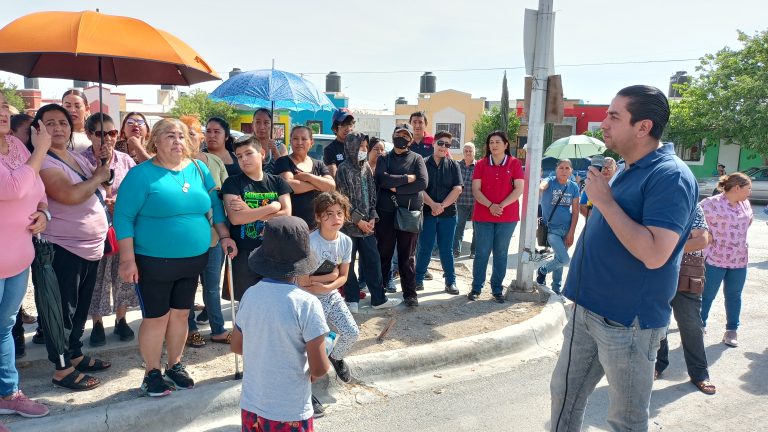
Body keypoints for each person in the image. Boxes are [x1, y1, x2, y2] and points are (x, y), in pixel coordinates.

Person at [549, 85, 698, 432]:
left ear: (643, 127)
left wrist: (605, 200)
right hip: (587, 310)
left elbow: (654, 253)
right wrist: (603, 197)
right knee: (564, 395)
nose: (604, 124)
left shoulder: (670, 176)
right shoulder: (630, 167)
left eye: (614, 116)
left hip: (628, 325)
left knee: (625, 421)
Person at [114, 118, 236, 397]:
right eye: (170, 136)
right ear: (154, 140)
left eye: (181, 136)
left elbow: (215, 207)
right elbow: (123, 217)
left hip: (193, 259)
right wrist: (127, 258)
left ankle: (175, 365)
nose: (177, 141)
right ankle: (151, 372)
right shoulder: (141, 175)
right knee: (156, 318)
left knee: (181, 315)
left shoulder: (198, 168)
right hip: (153, 261)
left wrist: (225, 235)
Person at [36, 104, 112, 391]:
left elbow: (98, 187)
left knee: (80, 307)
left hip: (90, 246)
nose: (57, 128)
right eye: (50, 123)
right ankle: (61, 368)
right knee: (61, 310)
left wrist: (101, 166)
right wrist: (97, 178)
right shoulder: (43, 161)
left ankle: (75, 353)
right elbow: (68, 195)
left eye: (63, 123)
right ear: (38, 129)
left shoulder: (74, 157)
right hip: (63, 248)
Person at [231, 216, 330, 432]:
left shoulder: (250, 294)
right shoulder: (307, 304)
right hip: (290, 410)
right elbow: (319, 368)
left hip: (252, 407)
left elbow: (237, 345)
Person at [0, 92, 50, 417]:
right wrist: (42, 148)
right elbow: (12, 188)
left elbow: (37, 189)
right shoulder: (30, 149)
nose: (3, 112)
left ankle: (8, 393)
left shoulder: (16, 147)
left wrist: (44, 213)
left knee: (4, 326)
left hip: (19, 257)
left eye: (4, 107)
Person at [80, 114, 138, 347]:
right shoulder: (80, 160)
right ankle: (97, 323)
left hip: (122, 226)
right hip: (94, 227)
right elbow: (79, 191)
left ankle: (121, 318)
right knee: (97, 278)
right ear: (89, 135)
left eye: (112, 133)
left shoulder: (125, 161)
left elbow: (136, 190)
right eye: (101, 134)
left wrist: (121, 202)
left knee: (122, 273)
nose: (108, 139)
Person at [335, 133, 402, 312]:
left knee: (373, 262)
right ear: (352, 147)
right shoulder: (343, 169)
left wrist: (372, 216)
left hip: (368, 227)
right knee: (347, 265)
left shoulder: (366, 168)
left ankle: (378, 299)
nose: (363, 150)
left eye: (365, 146)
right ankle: (352, 299)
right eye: (361, 146)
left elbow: (372, 195)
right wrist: (359, 221)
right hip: (349, 228)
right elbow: (342, 200)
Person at [654, 203, 716, 395]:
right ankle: (658, 365)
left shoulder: (692, 207)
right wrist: (684, 241)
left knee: (691, 325)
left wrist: (662, 248)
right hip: (656, 273)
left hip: (687, 273)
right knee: (657, 323)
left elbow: (701, 240)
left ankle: (699, 374)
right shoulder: (655, 205)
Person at [179, 115, 231, 348]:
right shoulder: (175, 165)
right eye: (184, 133)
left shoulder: (214, 162)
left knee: (212, 286)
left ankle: (218, 329)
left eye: (193, 132)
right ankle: (189, 329)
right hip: (187, 238)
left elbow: (224, 195)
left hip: (213, 235)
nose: (190, 137)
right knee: (188, 285)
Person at [297, 192, 358, 384]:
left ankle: (336, 357)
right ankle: (306, 386)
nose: (336, 218)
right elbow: (303, 281)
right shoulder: (310, 242)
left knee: (351, 332)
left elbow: (343, 276)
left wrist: (330, 283)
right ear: (318, 217)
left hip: (329, 294)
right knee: (313, 345)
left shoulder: (346, 241)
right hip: (308, 299)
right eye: (329, 214)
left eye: (340, 213)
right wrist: (331, 275)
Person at [222, 135, 292, 302]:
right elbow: (236, 219)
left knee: (273, 303)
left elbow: (287, 215)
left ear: (262, 153)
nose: (244, 159)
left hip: (274, 252)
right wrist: (272, 207)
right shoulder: (232, 183)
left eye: (248, 153)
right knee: (246, 304)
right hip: (244, 254)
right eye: (239, 156)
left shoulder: (278, 182)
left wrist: (249, 211)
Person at [374, 124, 428, 307]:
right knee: (384, 254)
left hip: (409, 213)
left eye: (406, 135)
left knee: (407, 257)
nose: (402, 138)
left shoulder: (417, 158)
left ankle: (410, 294)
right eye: (399, 134)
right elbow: (381, 179)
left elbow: (422, 182)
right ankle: (379, 292)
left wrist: (396, 188)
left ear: (411, 139)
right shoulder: (384, 158)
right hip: (386, 214)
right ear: (393, 135)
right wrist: (406, 179)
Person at [468, 131, 524, 303]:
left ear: (506, 144)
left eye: (497, 142)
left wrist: (501, 206)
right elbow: (476, 190)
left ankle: (497, 289)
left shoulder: (514, 163)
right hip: (483, 215)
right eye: (491, 142)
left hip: (507, 216)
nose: (494, 145)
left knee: (501, 253)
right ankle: (476, 288)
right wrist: (491, 206)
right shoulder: (481, 164)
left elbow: (518, 189)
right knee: (482, 252)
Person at [700, 172, 752, 348]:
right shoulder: (711, 204)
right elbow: (693, 219)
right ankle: (699, 326)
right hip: (715, 258)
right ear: (737, 188)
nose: (750, 192)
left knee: (734, 296)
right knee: (707, 295)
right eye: (748, 188)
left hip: (739, 260)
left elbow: (748, 223)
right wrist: (705, 235)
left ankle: (731, 330)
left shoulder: (745, 204)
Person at [415, 131, 463, 295]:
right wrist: (433, 205)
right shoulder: (422, 163)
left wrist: (441, 206)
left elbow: (457, 189)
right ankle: (418, 280)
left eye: (447, 145)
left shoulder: (454, 165)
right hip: (428, 214)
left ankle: (451, 282)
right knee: (425, 248)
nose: (444, 147)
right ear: (434, 143)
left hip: (448, 215)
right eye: (441, 143)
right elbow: (419, 188)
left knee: (446, 249)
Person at [275, 126, 335, 229]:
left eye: (304, 139)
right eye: (295, 138)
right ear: (290, 141)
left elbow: (331, 186)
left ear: (311, 142)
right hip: (292, 226)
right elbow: (289, 185)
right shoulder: (283, 161)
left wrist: (308, 176)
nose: (299, 142)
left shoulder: (319, 164)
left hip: (317, 226)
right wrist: (318, 184)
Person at [535, 160, 580, 295]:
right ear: (556, 169)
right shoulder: (551, 180)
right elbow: (543, 185)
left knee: (559, 259)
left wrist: (571, 233)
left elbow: (576, 212)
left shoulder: (573, 187)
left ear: (571, 171)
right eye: (561, 167)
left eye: (567, 168)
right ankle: (542, 270)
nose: (564, 170)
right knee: (564, 259)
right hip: (551, 229)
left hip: (566, 230)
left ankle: (556, 289)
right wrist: (540, 186)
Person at [453, 142, 477, 258]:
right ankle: (456, 250)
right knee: (459, 226)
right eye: (466, 151)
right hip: (460, 202)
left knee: (477, 228)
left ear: (474, 152)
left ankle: (474, 251)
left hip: (476, 202)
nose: (468, 153)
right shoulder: (457, 165)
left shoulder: (479, 166)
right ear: (463, 152)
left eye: (470, 151)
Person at [251, 108, 287, 174]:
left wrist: (275, 151)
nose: (262, 127)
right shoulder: (246, 146)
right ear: (253, 124)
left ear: (272, 125)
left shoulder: (281, 147)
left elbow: (286, 171)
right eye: (258, 122)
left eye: (266, 123)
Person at [323, 109, 355, 178]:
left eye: (350, 124)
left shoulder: (357, 146)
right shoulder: (330, 150)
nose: (347, 128)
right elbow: (334, 177)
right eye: (343, 125)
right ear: (335, 128)